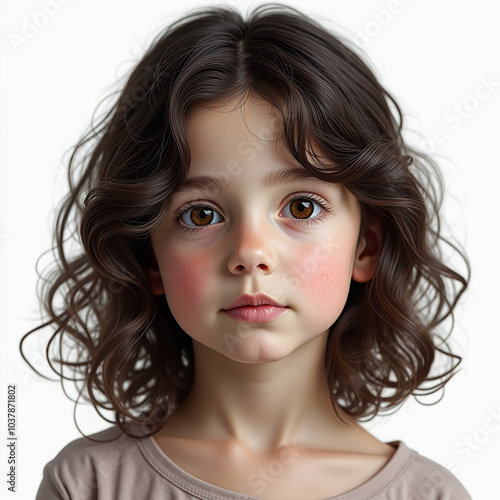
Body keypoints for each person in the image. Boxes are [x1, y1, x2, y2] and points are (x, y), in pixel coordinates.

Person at [23, 4, 472, 499]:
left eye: (301, 206)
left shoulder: (429, 495)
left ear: (366, 246)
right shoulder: (87, 485)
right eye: (200, 214)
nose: (250, 254)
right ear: (149, 257)